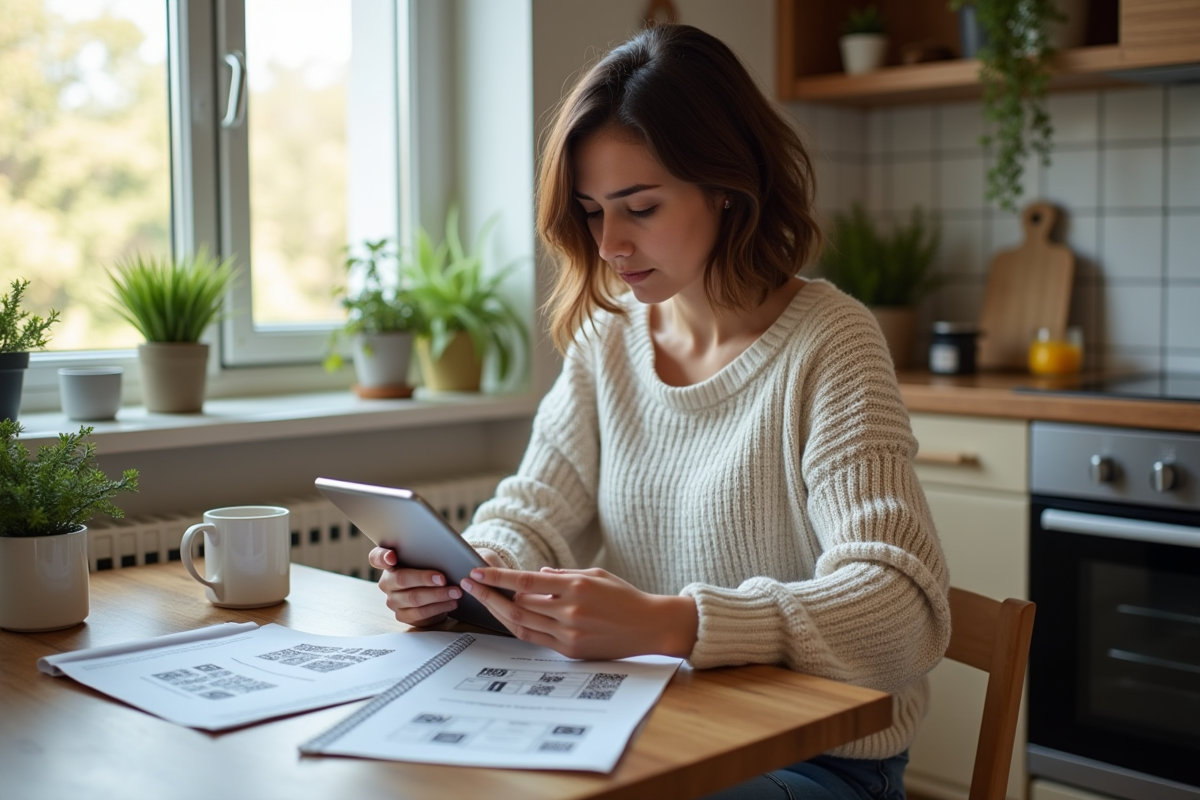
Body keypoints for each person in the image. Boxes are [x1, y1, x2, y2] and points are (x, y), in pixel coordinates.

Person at [368, 22, 951, 800]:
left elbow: (902, 611)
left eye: (639, 207)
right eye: (590, 211)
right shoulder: (610, 339)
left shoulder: (831, 341)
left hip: (820, 759)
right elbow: (535, 509)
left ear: (726, 186)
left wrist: (670, 623)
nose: (609, 244)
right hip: (657, 724)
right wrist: (466, 574)